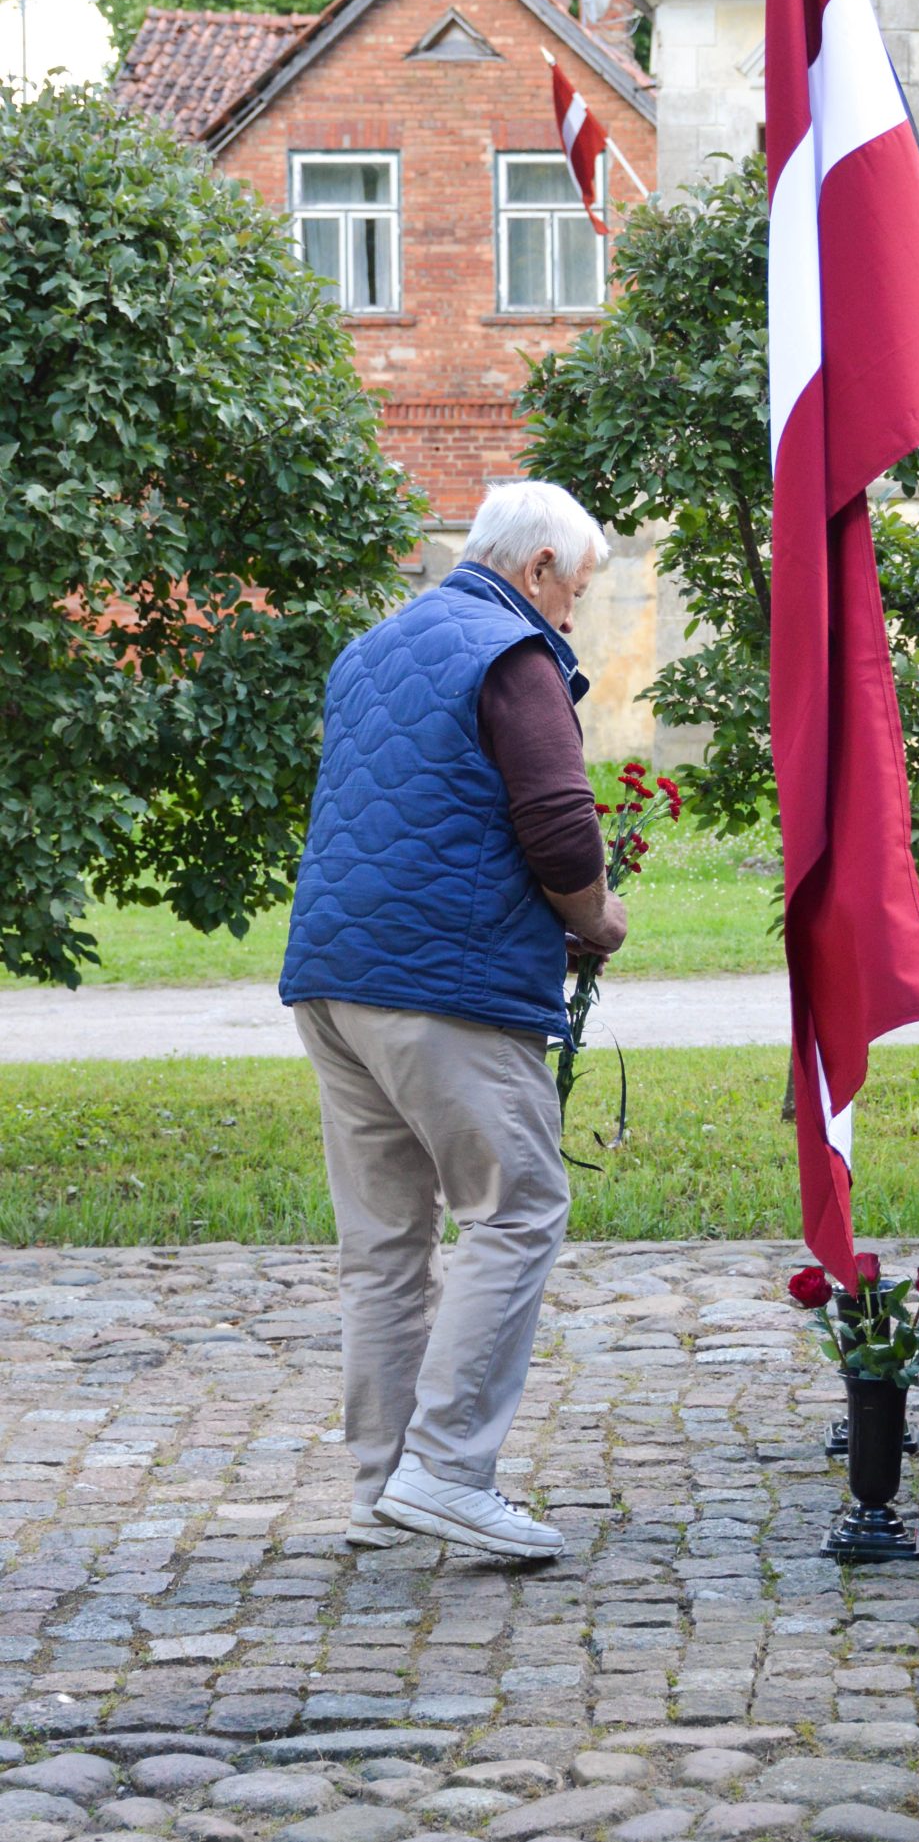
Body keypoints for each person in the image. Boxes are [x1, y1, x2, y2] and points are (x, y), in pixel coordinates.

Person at [280, 478, 627, 1559]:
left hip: (333, 979)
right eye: (575, 590)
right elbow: (560, 830)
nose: (572, 614)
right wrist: (595, 919)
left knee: (385, 1243)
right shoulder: (512, 653)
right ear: (537, 568)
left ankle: (379, 1489)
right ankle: (445, 1471)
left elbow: (421, 813)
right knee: (518, 1207)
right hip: (443, 988)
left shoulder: (372, 649)